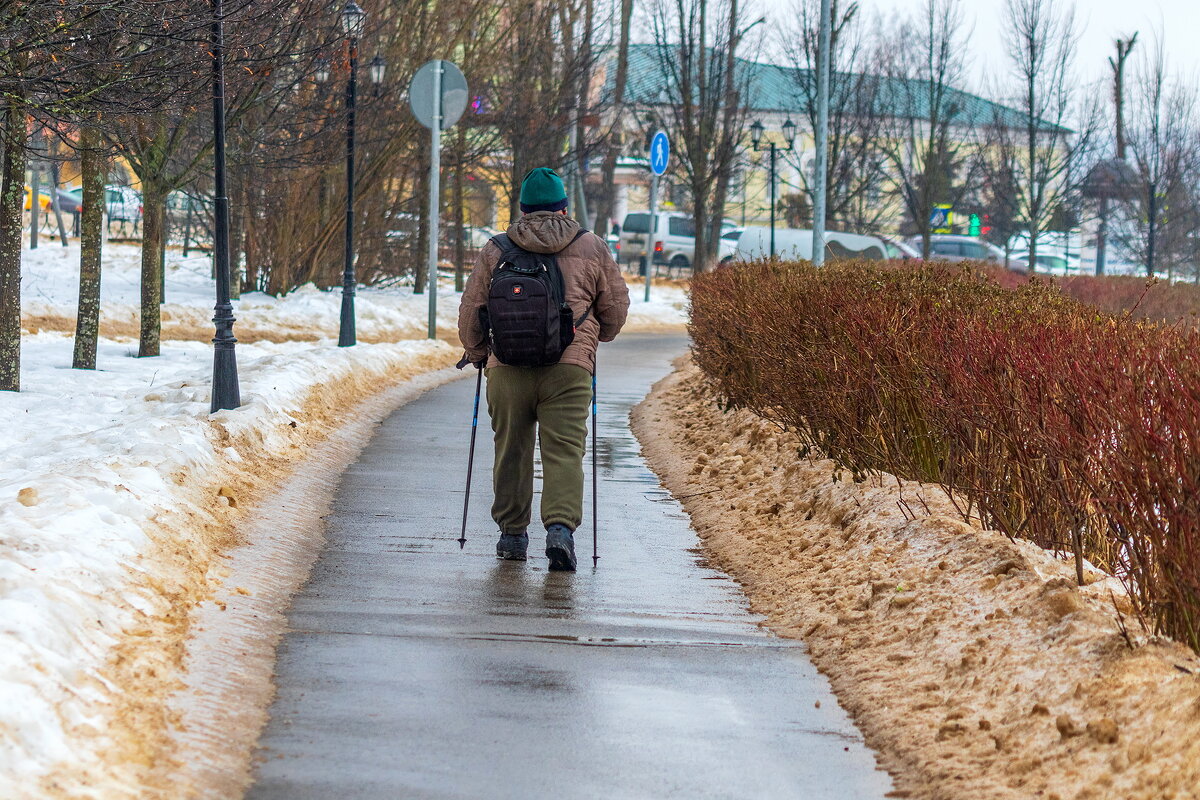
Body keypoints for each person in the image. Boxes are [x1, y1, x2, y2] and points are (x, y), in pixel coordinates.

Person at [457, 167, 630, 571]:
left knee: (511, 449)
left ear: (522, 209)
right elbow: (615, 310)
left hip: (507, 365)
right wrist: (594, 336)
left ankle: (513, 535)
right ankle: (560, 530)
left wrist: (479, 351)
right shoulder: (592, 246)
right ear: (564, 208)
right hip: (569, 368)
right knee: (564, 451)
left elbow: (471, 310)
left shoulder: (497, 248)